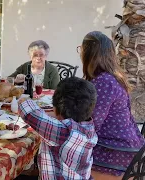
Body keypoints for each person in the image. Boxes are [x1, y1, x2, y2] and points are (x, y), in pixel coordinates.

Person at [78, 31, 145, 179]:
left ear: (89, 53)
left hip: (116, 152)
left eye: (81, 50)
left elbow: (90, 124)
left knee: (66, 157)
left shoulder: (103, 82)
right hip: (127, 146)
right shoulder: (110, 78)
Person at [18, 77, 98, 179]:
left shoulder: (63, 132)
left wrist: (23, 99)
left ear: (57, 109)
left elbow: (28, 112)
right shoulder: (89, 127)